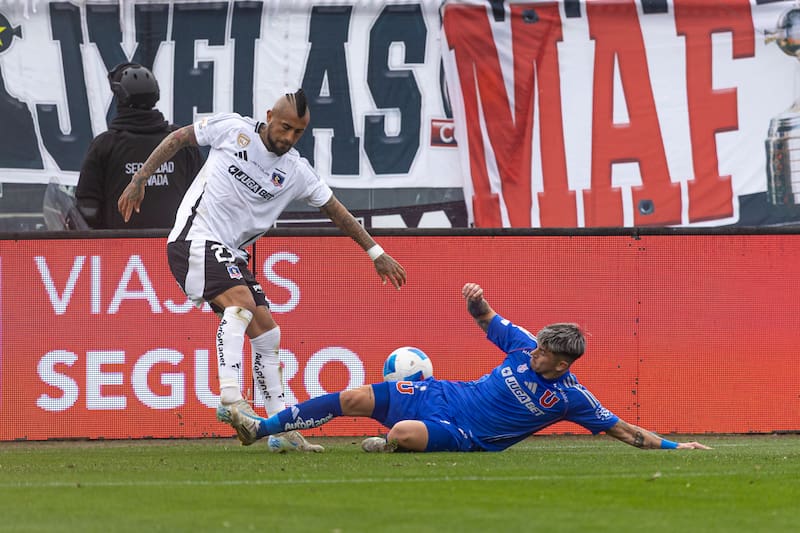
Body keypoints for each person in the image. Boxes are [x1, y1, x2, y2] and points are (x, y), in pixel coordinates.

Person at [117, 89, 407, 453]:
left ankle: (280, 427)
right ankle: (230, 399)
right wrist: (139, 179)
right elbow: (178, 138)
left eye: (298, 132)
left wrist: (375, 252)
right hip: (194, 239)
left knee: (268, 333)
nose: (289, 137)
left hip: (231, 254)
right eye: (285, 127)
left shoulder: (295, 170)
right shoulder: (232, 129)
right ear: (269, 116)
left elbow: (335, 209)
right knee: (240, 304)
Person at [223, 282, 711, 453]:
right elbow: (486, 318)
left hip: (464, 434)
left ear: (562, 363)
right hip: (440, 393)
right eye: (537, 346)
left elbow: (624, 430)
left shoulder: (570, 398)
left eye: (544, 354)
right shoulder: (524, 346)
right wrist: (475, 299)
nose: (534, 353)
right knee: (353, 398)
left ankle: (387, 444)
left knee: (402, 434)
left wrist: (675, 446)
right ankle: (260, 428)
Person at [76, 63, 204, 229]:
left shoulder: (104, 145)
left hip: (118, 244)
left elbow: (88, 210)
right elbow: (204, 197)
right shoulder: (181, 142)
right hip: (175, 242)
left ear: (119, 98)